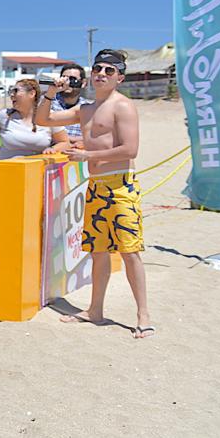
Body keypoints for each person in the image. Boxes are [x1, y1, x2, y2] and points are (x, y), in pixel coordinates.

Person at [36, 49, 153, 337]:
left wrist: (87, 155)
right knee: (98, 252)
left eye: (109, 71)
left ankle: (143, 315)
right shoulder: (85, 110)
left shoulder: (123, 106)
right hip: (96, 186)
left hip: (121, 186)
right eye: (98, 68)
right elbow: (43, 119)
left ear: (120, 78)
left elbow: (130, 149)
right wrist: (51, 92)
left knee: (130, 252)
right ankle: (95, 310)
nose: (101, 74)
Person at [0, 78, 71, 160]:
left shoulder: (47, 116)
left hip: (37, 167)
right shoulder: (5, 115)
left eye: (16, 91)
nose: (12, 95)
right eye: (11, 91)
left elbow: (65, 142)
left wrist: (53, 149)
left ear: (32, 93)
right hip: (6, 166)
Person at [46, 62, 91, 144]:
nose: (67, 82)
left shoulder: (88, 108)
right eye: (64, 78)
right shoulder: (47, 102)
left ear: (83, 83)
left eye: (72, 79)